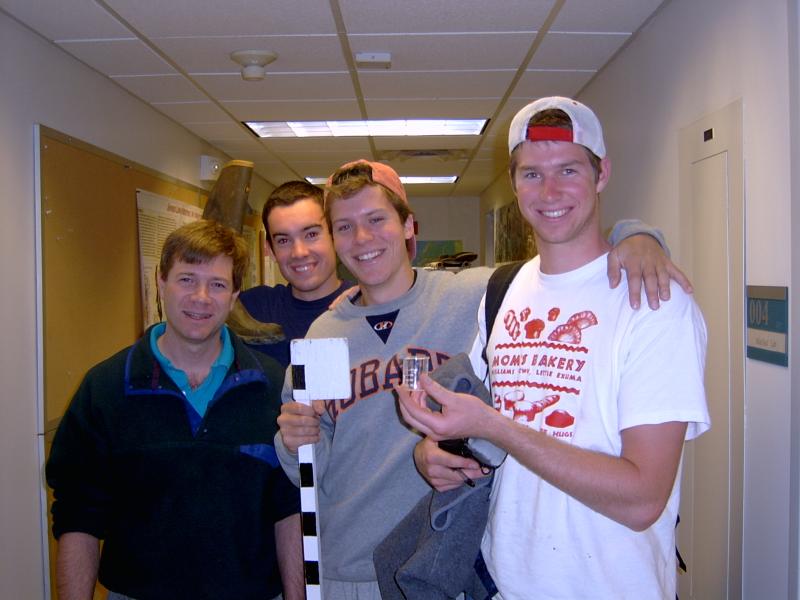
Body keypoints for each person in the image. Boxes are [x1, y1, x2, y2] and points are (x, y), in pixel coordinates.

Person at [274, 157, 686, 599]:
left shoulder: (477, 296)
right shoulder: (324, 335)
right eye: (345, 227)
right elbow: (311, 470)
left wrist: (637, 237)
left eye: (377, 220)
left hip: (443, 559)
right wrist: (294, 439)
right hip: (350, 570)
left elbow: (564, 263)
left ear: (410, 226)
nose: (363, 239)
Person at [398, 97, 711, 599]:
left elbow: (641, 499)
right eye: (530, 174)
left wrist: (492, 425)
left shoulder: (653, 303)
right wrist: (434, 453)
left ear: (602, 173)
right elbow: (488, 431)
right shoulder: (503, 291)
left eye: (568, 169)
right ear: (514, 180)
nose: (549, 191)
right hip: (503, 584)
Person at [46, 220, 303, 600]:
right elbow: (78, 518)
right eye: (186, 279)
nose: (201, 297)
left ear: (235, 295)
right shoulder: (104, 388)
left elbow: (289, 511)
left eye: (217, 284)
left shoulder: (271, 388)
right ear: (160, 281)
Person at [239, 180, 351, 367]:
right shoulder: (250, 309)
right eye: (283, 240)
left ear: (334, 236)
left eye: (311, 235)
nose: (299, 252)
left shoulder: (364, 305)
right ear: (270, 249)